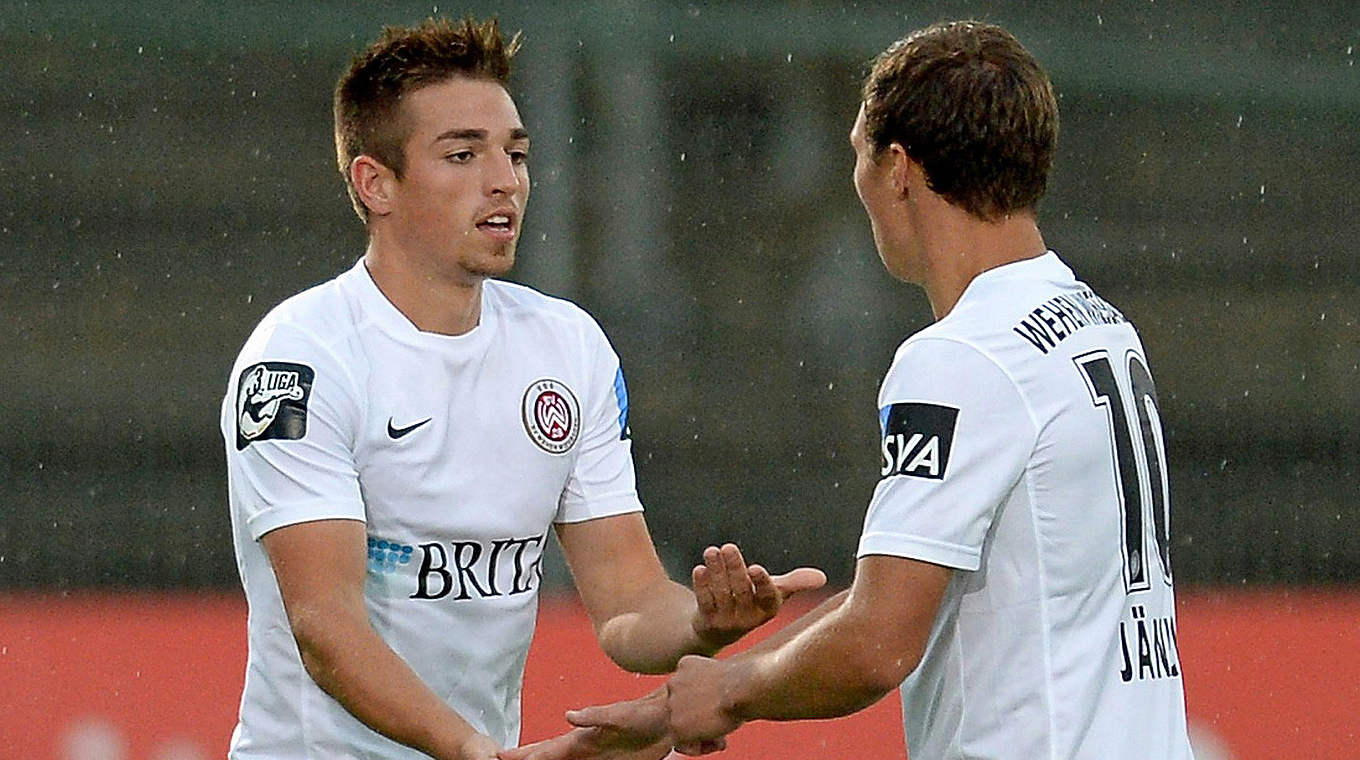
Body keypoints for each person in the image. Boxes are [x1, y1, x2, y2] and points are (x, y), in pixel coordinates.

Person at [503, 20, 1195, 760]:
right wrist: (679, 702)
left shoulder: (963, 357)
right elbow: (906, 590)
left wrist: (727, 693)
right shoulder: (1098, 323)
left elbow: (876, 644)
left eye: (858, 154)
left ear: (898, 168)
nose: (858, 182)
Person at [219, 17, 825, 760]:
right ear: (375, 182)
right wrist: (475, 751)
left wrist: (705, 622)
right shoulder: (300, 362)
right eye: (463, 154)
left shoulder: (566, 347)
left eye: (515, 153)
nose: (503, 179)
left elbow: (628, 606)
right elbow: (326, 628)